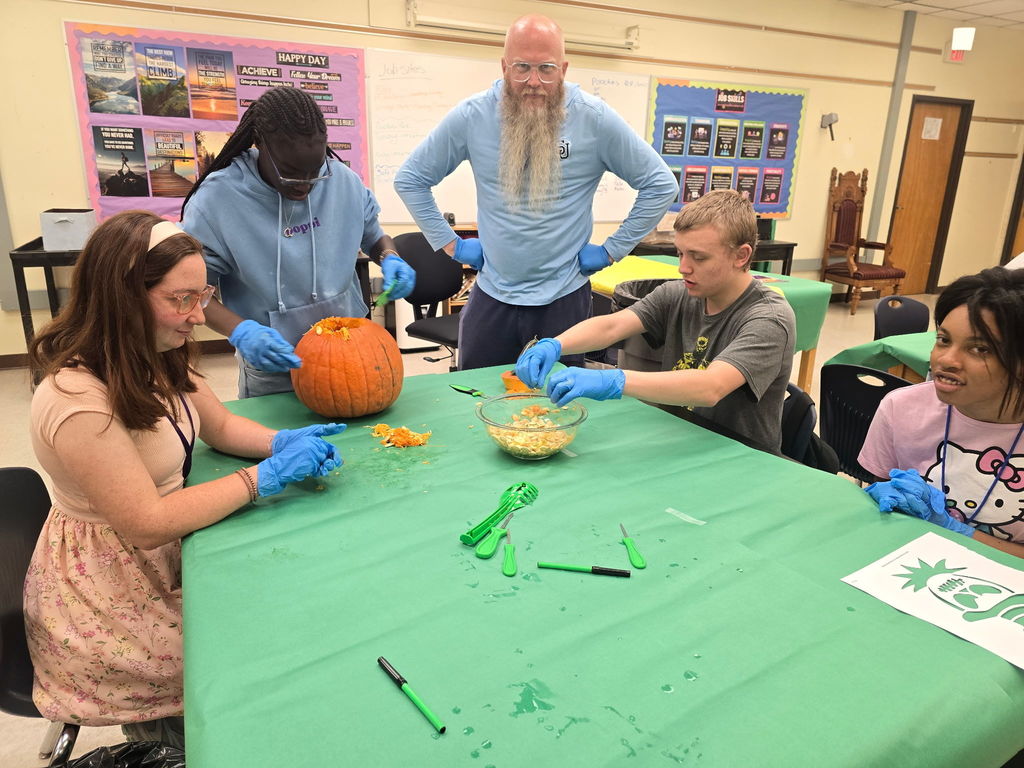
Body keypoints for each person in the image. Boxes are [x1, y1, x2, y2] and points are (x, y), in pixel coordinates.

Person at [24, 211, 345, 746]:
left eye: (203, 295)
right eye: (181, 299)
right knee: (252, 655)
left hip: (164, 553)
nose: (199, 316)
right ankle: (179, 742)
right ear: (123, 297)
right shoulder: (76, 398)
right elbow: (146, 524)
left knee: (293, 596)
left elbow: (218, 425)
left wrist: (279, 443)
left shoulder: (155, 354)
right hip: (109, 592)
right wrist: (260, 479)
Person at [394, 14, 676, 370]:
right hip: (492, 296)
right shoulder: (473, 116)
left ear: (564, 68)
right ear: (503, 66)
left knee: (558, 406)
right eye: (521, 67)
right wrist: (451, 244)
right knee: (474, 399)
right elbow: (411, 178)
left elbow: (661, 183)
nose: (533, 81)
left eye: (546, 68)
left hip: (564, 298)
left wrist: (612, 250)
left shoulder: (593, 118)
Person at [516, 189, 796, 453]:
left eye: (698, 257)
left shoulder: (769, 319)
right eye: (681, 253)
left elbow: (711, 387)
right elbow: (612, 326)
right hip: (681, 441)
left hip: (740, 456)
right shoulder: (680, 293)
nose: (683, 267)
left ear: (741, 255)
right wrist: (554, 345)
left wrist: (613, 380)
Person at [182, 86, 415, 398]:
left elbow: (372, 234)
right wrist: (241, 331)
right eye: (291, 173)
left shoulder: (340, 180)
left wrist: (389, 257)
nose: (305, 185)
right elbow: (194, 293)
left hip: (352, 356)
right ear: (260, 144)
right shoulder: (217, 200)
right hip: (274, 364)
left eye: (315, 171)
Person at [860, 267, 1024, 558]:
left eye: (980, 349)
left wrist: (957, 530)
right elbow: (877, 505)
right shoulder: (901, 408)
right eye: (943, 340)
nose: (946, 360)